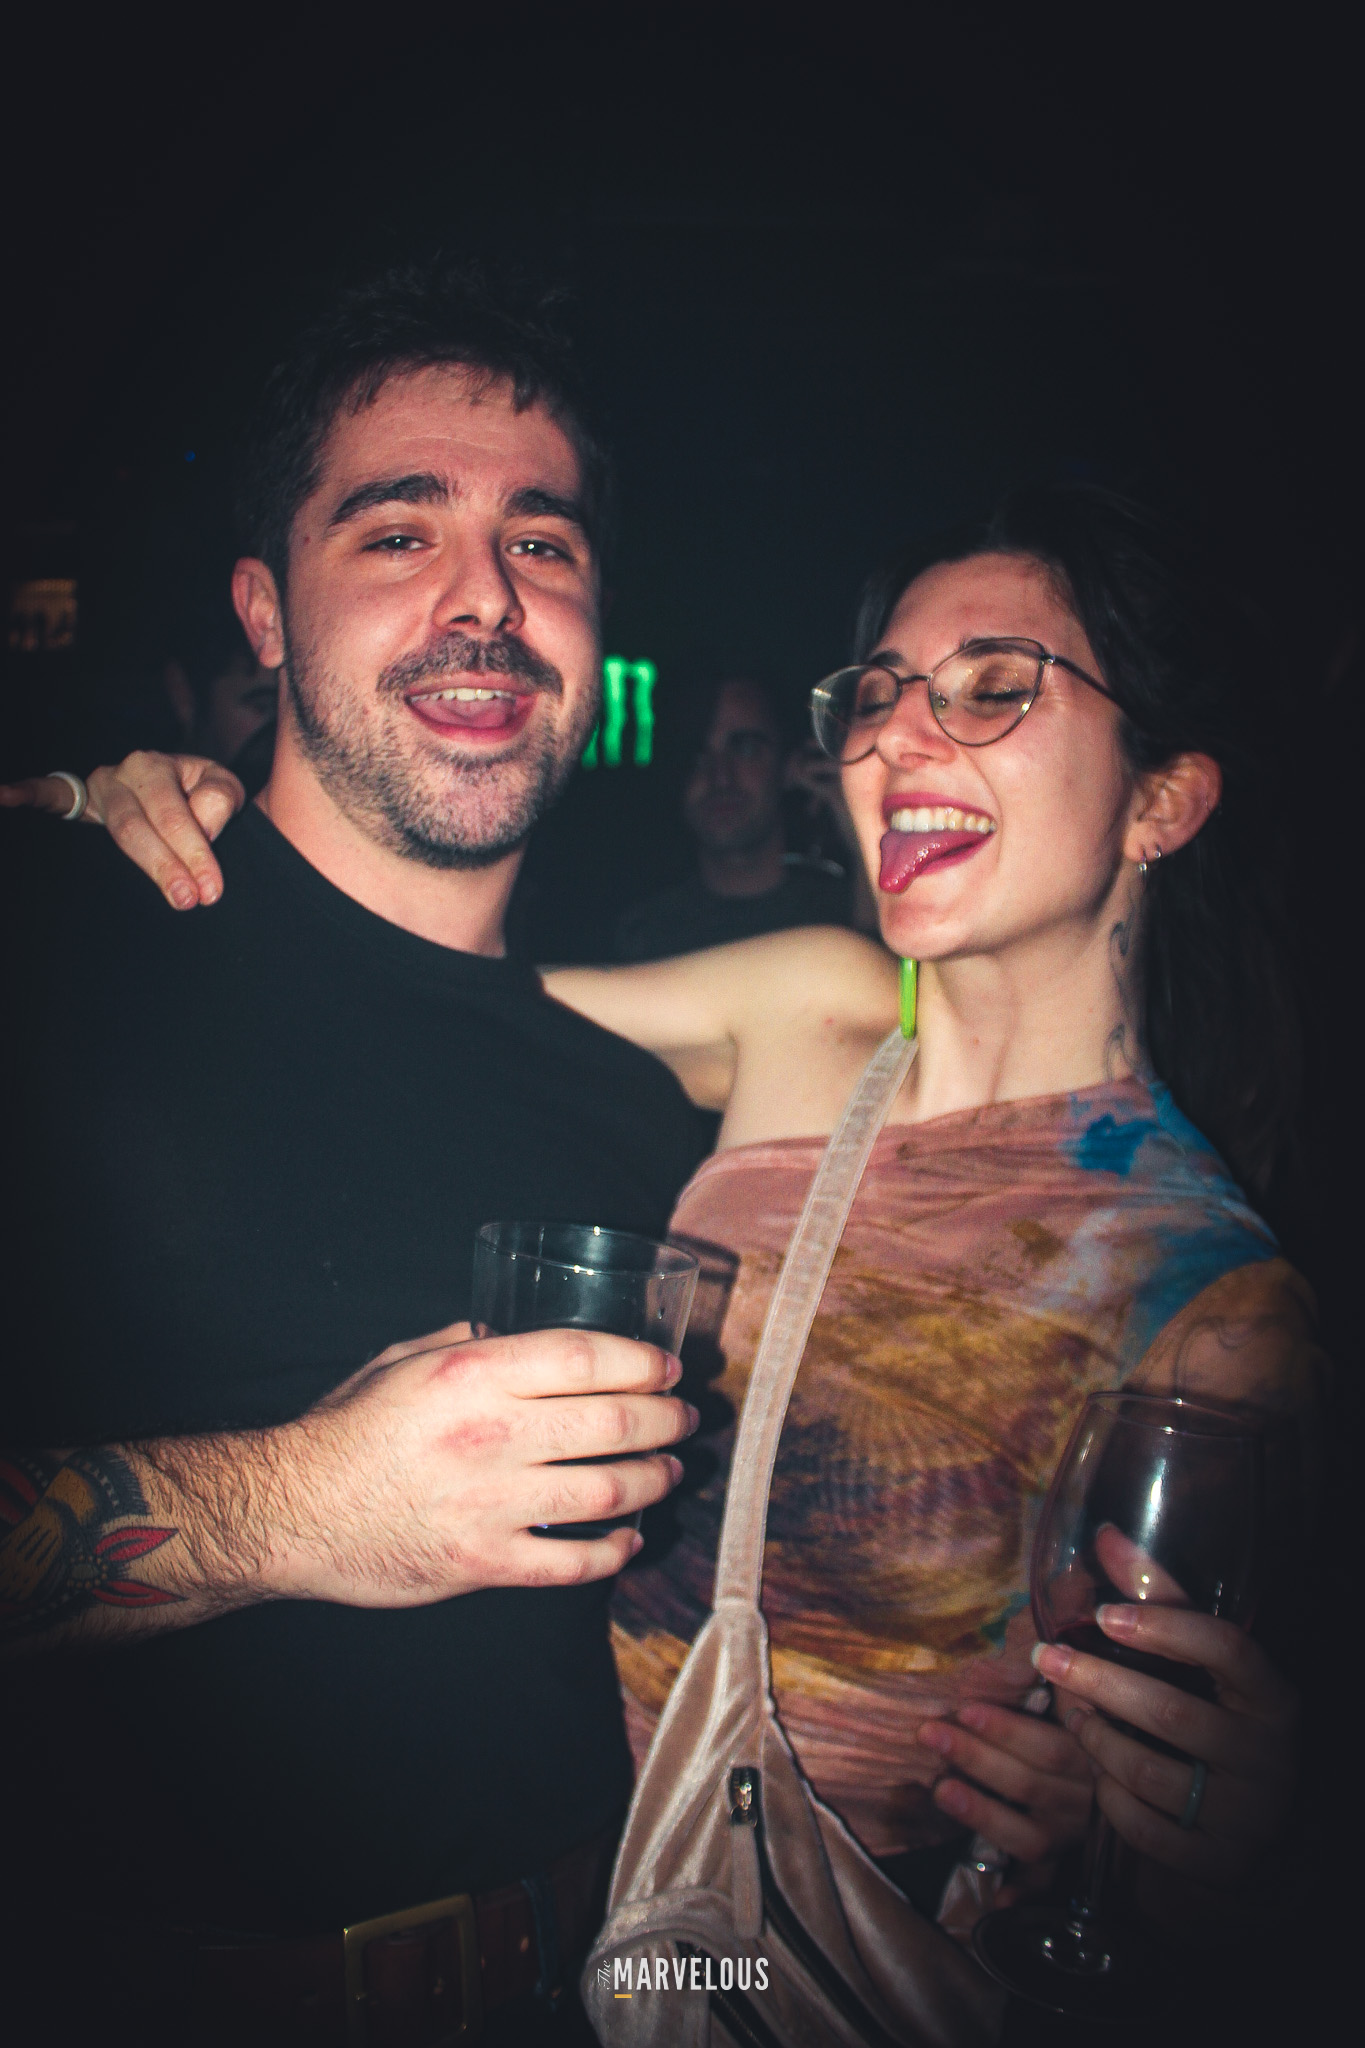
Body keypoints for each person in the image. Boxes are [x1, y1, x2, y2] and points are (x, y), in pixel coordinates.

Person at [58, 484, 1320, 1998]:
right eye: (877, 696)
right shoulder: (812, 1003)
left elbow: (1167, 1846)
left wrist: (1187, 1847)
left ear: (1163, 800)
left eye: (992, 689)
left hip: (813, 1977)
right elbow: (395, 988)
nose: (898, 741)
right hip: (568, 1928)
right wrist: (122, 817)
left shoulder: (1213, 1300)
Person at [0, 261, 703, 2048]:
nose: (485, 598)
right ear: (263, 608)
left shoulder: (646, 1100)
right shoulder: (60, 945)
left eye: (541, 543)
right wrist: (309, 1502)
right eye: (399, 532)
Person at [612, 674, 864, 961]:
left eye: (745, 749)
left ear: (789, 764)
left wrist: (861, 838)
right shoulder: (642, 936)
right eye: (698, 755)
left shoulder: (846, 914)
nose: (721, 778)